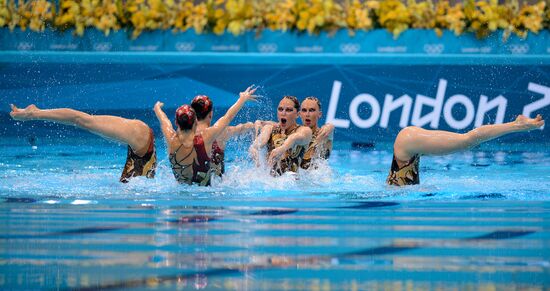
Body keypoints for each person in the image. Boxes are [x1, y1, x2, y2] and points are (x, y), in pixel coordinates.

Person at [9, 104, 156, 183]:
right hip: (141, 137)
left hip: (142, 145)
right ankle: (34, 113)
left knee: (84, 121)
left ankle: (35, 113)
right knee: (83, 121)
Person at [387, 114, 545, 186]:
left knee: (467, 140)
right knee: (467, 140)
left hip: (407, 141)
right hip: (406, 145)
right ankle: (516, 125)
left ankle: (517, 125)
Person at [154, 85, 257, 186]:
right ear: (195, 122)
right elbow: (228, 117)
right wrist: (242, 99)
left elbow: (164, 121)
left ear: (176, 123)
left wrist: (157, 108)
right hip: (209, 190)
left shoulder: (171, 139)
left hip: (179, 195)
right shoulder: (207, 137)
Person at [191, 95, 264, 177]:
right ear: (211, 114)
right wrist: (253, 125)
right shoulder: (221, 133)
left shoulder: (183, 139)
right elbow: (239, 126)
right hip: (217, 186)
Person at [250, 95, 312, 175]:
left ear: (297, 114)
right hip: (269, 182)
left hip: (291, 183)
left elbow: (294, 138)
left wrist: (283, 148)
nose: (283, 113)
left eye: (289, 110)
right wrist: (254, 147)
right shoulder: (270, 128)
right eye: (280, 109)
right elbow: (262, 139)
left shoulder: (305, 130)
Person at [298, 96, 334, 169]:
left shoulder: (324, 135)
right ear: (299, 114)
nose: (307, 114)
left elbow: (329, 130)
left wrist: (330, 126)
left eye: (311, 110)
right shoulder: (294, 134)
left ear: (319, 114)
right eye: (304, 110)